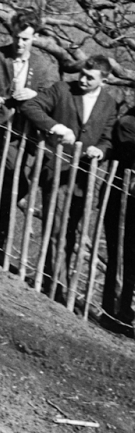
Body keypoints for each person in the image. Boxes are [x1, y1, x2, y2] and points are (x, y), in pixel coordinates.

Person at [20, 55, 117, 298]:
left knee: (72, 230)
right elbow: (31, 106)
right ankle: (57, 287)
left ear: (103, 81)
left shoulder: (108, 103)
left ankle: (55, 281)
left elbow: (107, 138)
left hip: (83, 178)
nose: (83, 80)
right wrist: (56, 127)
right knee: (56, 227)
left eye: (90, 78)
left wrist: (101, 150)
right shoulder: (63, 89)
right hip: (57, 169)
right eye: (82, 74)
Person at [0, 11, 56, 257]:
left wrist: (35, 96)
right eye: (17, 37)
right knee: (17, 181)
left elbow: (52, 99)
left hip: (27, 134)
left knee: (14, 183)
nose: (20, 43)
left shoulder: (43, 66)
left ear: (35, 38)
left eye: (26, 39)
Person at [102, 109, 135, 337]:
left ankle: (125, 312)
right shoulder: (128, 123)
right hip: (123, 200)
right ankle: (113, 312)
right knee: (121, 256)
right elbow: (129, 151)